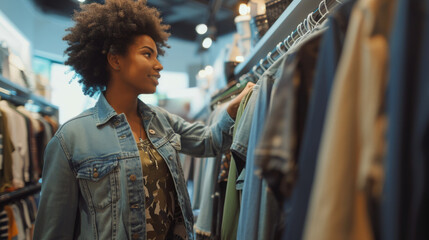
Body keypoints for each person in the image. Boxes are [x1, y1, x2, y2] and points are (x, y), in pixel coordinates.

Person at [33, 0, 254, 239]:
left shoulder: (161, 120)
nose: (158, 65)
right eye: (147, 54)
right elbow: (52, 231)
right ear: (115, 59)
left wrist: (234, 108)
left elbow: (209, 141)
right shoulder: (70, 139)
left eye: (156, 56)